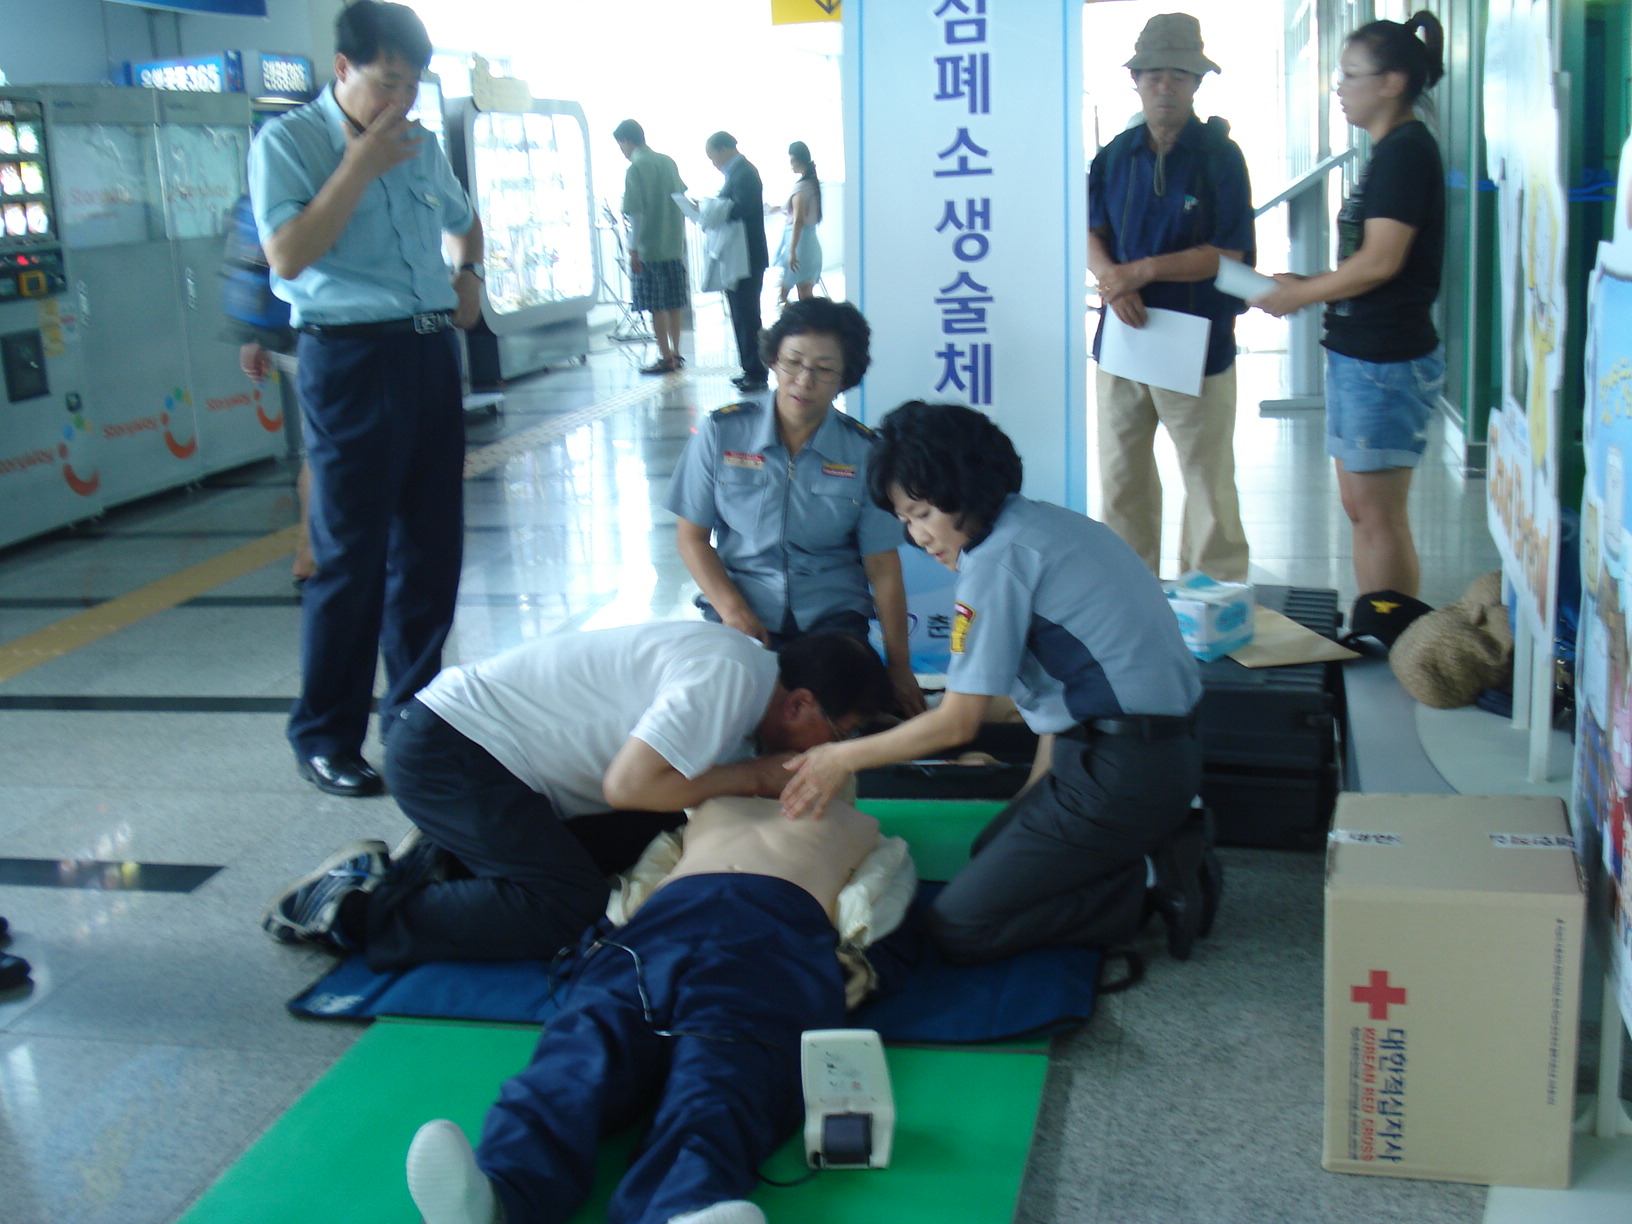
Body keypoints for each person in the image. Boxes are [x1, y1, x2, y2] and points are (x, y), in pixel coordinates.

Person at [780, 401, 1222, 964]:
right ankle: (1156, 842)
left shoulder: (997, 561)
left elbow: (958, 724)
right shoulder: (1042, 524)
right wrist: (1031, 803)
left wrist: (839, 758)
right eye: (906, 521)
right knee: (992, 846)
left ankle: (1152, 883)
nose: (918, 537)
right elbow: (1060, 703)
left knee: (960, 926)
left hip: (1126, 769)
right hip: (1151, 754)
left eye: (922, 514)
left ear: (963, 488)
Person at [261, 623, 893, 971]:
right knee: (566, 906)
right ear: (801, 704)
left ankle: (443, 859)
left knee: (659, 830)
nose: (836, 753)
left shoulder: (746, 675)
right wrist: (753, 777)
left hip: (487, 763)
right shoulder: (728, 679)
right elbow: (627, 785)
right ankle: (352, 910)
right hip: (451, 754)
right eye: (839, 737)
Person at [400, 794, 910, 1224]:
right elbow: (651, 864)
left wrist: (856, 960)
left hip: (774, 930)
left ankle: (681, 1207)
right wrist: (616, 921)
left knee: (725, 1064)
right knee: (585, 1041)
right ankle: (497, 1195)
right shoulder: (709, 803)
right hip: (663, 924)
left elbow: (884, 897)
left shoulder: (865, 829)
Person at [249, 0, 484, 798]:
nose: (401, 100)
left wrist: (469, 275)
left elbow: (465, 222)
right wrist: (359, 166)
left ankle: (415, 719)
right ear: (343, 68)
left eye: (413, 85)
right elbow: (288, 254)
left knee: (431, 548)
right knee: (350, 556)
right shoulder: (289, 143)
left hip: (429, 351)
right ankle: (325, 737)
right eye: (387, 81)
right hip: (349, 356)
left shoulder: (420, 145)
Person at [1251, 12, 1446, 606]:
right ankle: (1378, 623)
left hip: (1384, 360)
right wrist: (1309, 283)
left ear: (1391, 83)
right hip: (1361, 354)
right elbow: (1369, 263)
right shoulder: (1389, 151)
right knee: (1362, 510)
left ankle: (1392, 631)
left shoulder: (1406, 154)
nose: (1339, 88)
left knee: (1377, 515)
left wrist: (1300, 295)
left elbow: (1382, 262)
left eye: (1351, 75)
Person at [665, 299, 925, 717]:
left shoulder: (864, 452)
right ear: (773, 359)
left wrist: (899, 668)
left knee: (823, 717)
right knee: (726, 712)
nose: (804, 380)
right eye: (793, 362)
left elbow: (882, 566)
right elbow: (691, 539)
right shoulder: (721, 432)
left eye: (824, 369)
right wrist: (733, 611)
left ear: (845, 377)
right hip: (739, 608)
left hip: (832, 620)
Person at [1088, 12, 1255, 583]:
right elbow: (1089, 231)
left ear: (1197, 83)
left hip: (1198, 341)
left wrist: (1140, 272)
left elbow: (1229, 252)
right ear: (1135, 80)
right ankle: (1129, 593)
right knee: (1120, 479)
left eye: (1178, 76)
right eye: (1154, 74)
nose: (1165, 86)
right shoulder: (1115, 155)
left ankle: (1213, 599)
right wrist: (1112, 281)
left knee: (1208, 481)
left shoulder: (1219, 156)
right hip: (1123, 342)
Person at [221, 191, 315, 590]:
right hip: (320, 333)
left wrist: (253, 336)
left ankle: (311, 551)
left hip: (284, 332)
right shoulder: (326, 173)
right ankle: (310, 552)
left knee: (322, 445)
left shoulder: (267, 184)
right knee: (330, 447)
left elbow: (251, 262)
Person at [613, 119, 689, 375]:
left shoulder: (635, 169)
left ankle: (665, 356)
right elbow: (681, 199)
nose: (622, 151)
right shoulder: (668, 162)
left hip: (650, 249)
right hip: (673, 245)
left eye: (620, 145)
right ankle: (676, 352)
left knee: (656, 306)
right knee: (674, 303)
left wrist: (633, 249)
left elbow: (636, 213)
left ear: (626, 141)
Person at [704, 131, 770, 393]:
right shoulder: (739, 173)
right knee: (741, 316)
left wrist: (712, 209)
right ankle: (749, 369)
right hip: (740, 257)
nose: (713, 163)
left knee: (748, 316)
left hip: (747, 257)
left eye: (712, 157)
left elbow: (744, 208)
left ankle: (756, 372)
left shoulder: (745, 173)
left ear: (724, 149)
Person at [771, 141, 822, 308]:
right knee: (805, 293)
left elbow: (798, 219)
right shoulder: (812, 184)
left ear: (799, 160)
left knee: (785, 294)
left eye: (792, 160)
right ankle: (810, 321)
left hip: (799, 244)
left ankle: (796, 320)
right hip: (810, 243)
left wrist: (792, 251)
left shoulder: (801, 188)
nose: (791, 165)